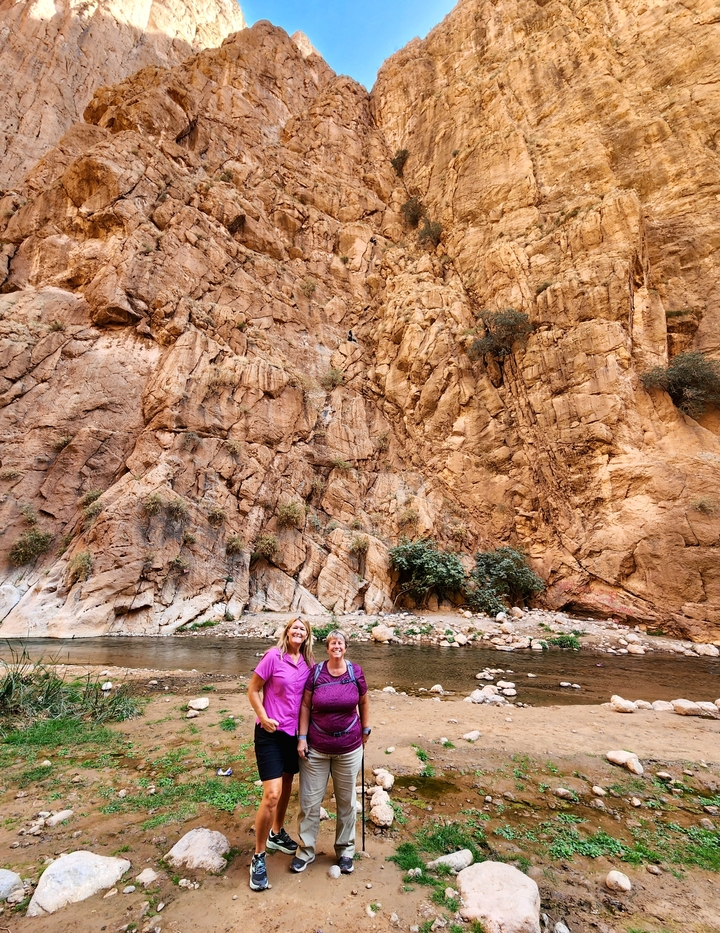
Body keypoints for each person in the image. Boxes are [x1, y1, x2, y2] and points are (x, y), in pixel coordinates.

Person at [293, 629, 371, 874]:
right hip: (316, 748)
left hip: (348, 748)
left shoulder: (355, 671)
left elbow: (364, 701)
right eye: (332, 643)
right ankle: (305, 851)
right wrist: (302, 738)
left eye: (340, 643)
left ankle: (346, 851)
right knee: (309, 802)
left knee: (347, 802)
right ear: (327, 648)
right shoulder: (316, 673)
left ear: (345, 647)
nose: (336, 646)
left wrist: (366, 728)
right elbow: (305, 704)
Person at [247, 615, 314, 891]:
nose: (298, 631)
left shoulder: (309, 665)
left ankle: (277, 832)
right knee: (272, 793)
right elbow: (253, 690)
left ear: (307, 636)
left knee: (287, 784)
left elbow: (307, 703)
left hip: (292, 736)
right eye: (294, 627)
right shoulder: (273, 657)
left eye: (303, 629)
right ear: (287, 633)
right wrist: (262, 716)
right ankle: (259, 856)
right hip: (270, 734)